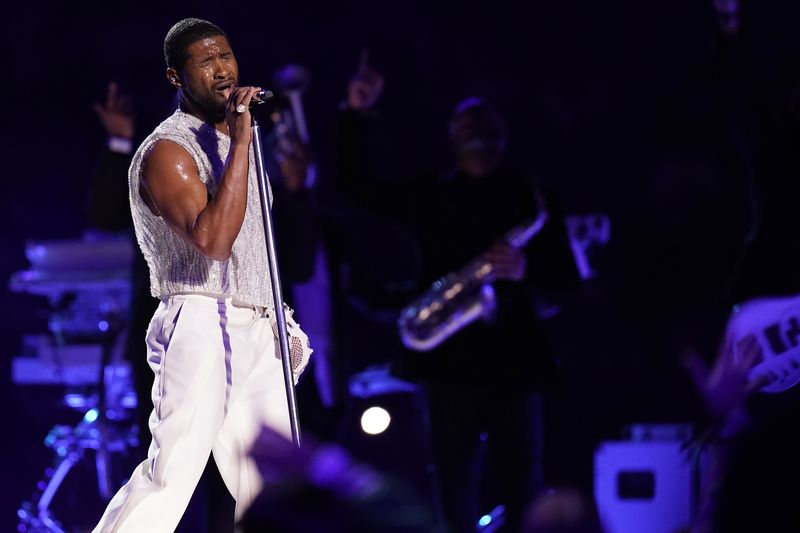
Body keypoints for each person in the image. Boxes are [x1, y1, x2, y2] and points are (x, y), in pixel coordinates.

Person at [332, 56, 579, 531]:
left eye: (483, 120)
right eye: (464, 121)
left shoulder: (534, 196)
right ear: (451, 136)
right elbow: (355, 185)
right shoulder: (431, 195)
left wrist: (527, 268)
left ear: (503, 134)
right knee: (452, 481)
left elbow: (565, 282)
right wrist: (354, 113)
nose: (474, 128)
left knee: (523, 480)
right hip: (448, 363)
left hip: (516, 362)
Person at [92, 18, 312, 532]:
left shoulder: (240, 143)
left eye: (227, 56)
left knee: (277, 485)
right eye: (206, 61)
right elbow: (212, 242)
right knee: (173, 474)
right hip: (201, 316)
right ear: (176, 77)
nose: (223, 70)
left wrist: (241, 143)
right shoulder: (168, 151)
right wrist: (240, 144)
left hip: (258, 323)